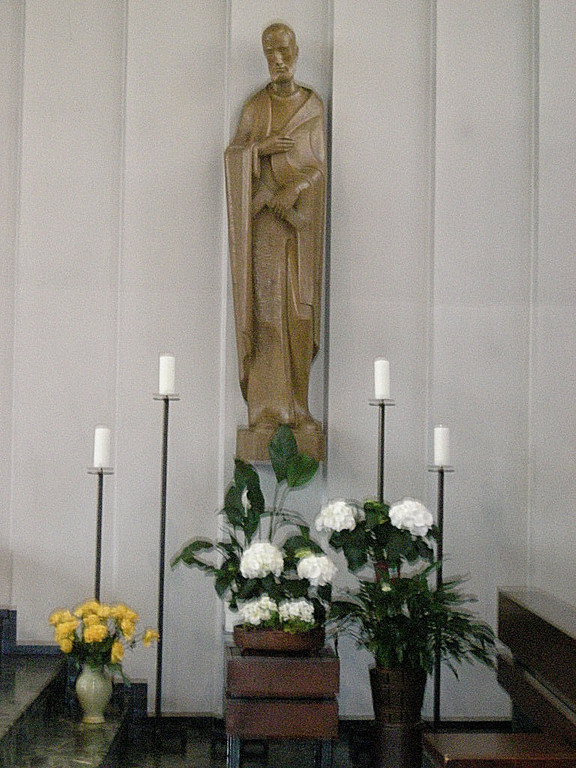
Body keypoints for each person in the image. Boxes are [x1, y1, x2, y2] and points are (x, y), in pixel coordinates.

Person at [225, 22, 326, 445]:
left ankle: (299, 407)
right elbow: (233, 157)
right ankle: (266, 411)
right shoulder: (255, 108)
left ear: (296, 51)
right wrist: (259, 150)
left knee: (299, 314)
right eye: (270, 52)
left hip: (299, 227)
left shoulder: (312, 107)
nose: (278, 60)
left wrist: (296, 189)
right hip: (264, 229)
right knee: (267, 314)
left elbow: (319, 169)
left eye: (284, 50)